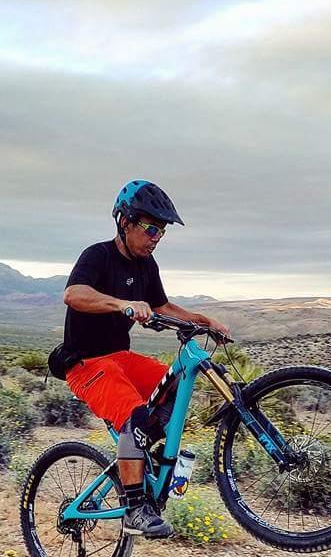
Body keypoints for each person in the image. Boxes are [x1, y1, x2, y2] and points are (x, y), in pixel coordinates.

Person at [57, 180, 231, 539]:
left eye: (161, 231)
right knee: (135, 418)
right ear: (125, 222)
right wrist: (122, 304)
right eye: (150, 228)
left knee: (176, 384)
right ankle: (135, 509)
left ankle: (140, 454)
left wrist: (203, 320)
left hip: (121, 357)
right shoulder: (98, 255)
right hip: (86, 364)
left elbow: (162, 307)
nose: (156, 237)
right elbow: (74, 294)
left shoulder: (147, 266)